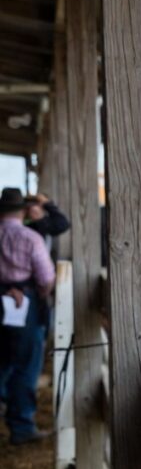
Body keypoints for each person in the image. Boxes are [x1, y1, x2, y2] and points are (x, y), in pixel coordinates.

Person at [0, 187, 55, 445]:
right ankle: (21, 425)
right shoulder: (30, 237)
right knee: (26, 364)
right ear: (22, 211)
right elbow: (46, 278)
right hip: (24, 302)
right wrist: (37, 295)